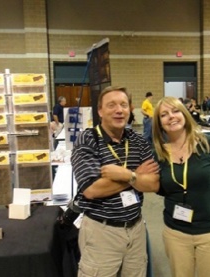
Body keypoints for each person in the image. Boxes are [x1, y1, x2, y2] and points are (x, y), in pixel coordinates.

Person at [71, 86, 160, 277]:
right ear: (100, 111)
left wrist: (125, 175)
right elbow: (92, 190)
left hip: (136, 229)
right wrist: (137, 176)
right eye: (111, 105)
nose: (119, 110)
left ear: (130, 109)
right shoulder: (88, 139)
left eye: (123, 105)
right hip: (102, 231)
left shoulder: (138, 141)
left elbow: (153, 183)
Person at [152, 96, 210, 277]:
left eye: (175, 111)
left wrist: (202, 189)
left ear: (185, 114)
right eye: (164, 115)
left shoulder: (208, 144)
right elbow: (160, 187)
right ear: (159, 123)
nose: (171, 117)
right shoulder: (158, 153)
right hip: (176, 233)